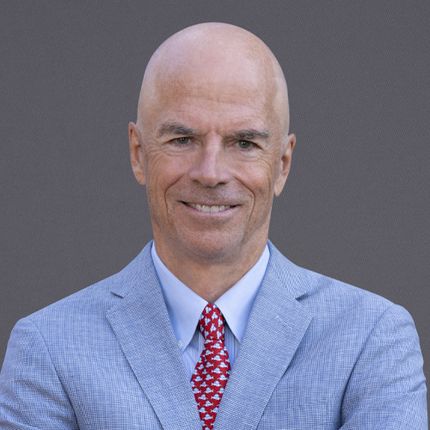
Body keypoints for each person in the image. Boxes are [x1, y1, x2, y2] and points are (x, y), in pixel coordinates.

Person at [0, 22, 427, 430]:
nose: (211, 172)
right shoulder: (50, 346)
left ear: (282, 164)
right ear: (138, 153)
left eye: (244, 143)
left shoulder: (370, 338)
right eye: (182, 140)